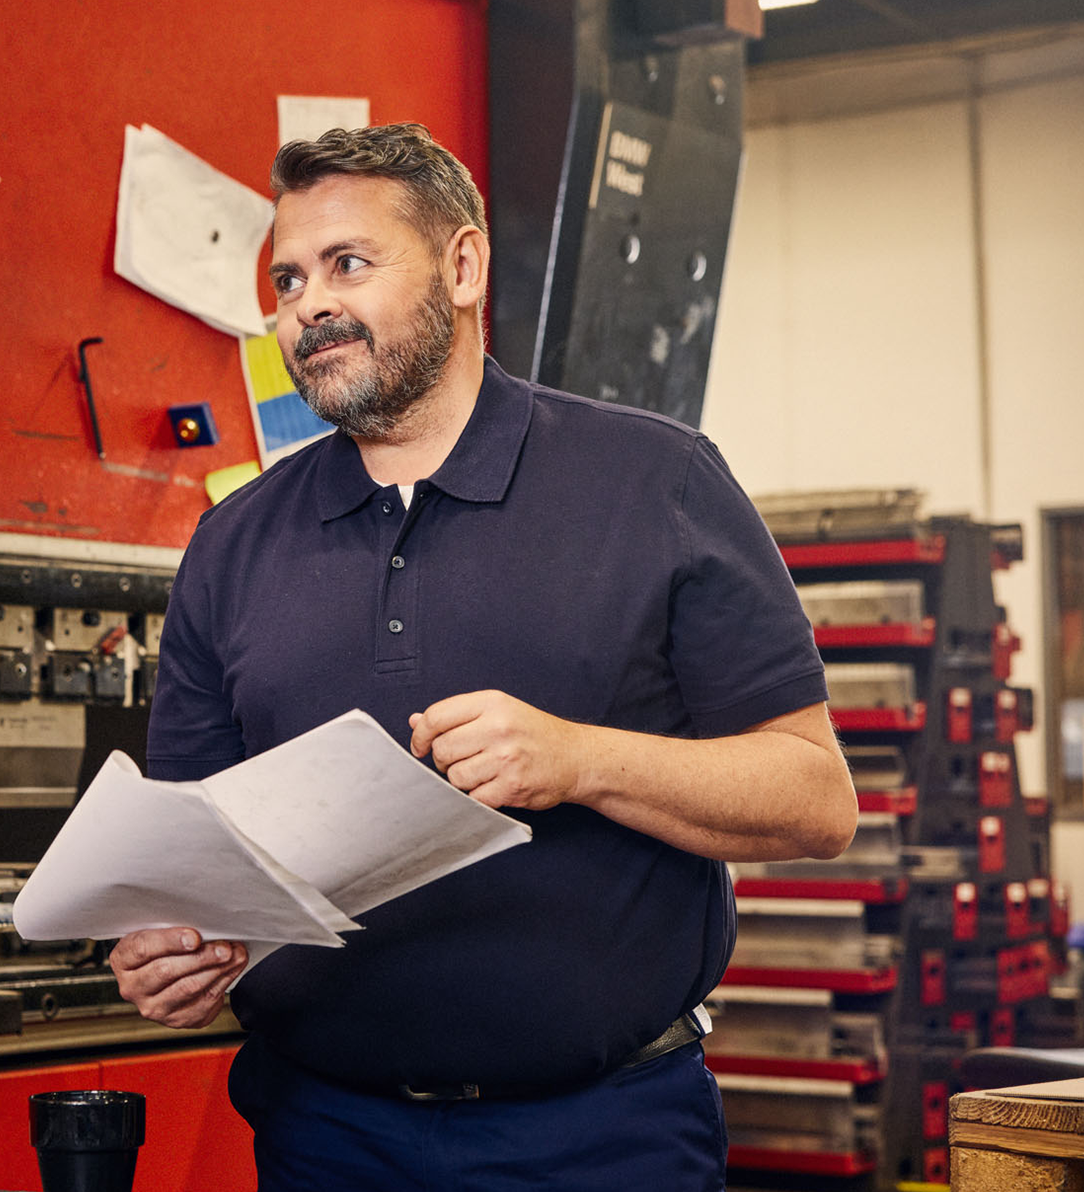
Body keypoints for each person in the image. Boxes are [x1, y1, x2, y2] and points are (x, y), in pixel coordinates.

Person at [109, 123, 858, 1190]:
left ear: (462, 268)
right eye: (286, 279)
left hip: (604, 1140)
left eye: (347, 265)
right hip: (326, 1137)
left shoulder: (656, 483)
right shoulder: (234, 541)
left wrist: (580, 760)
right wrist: (181, 942)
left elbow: (816, 799)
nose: (308, 304)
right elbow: (192, 851)